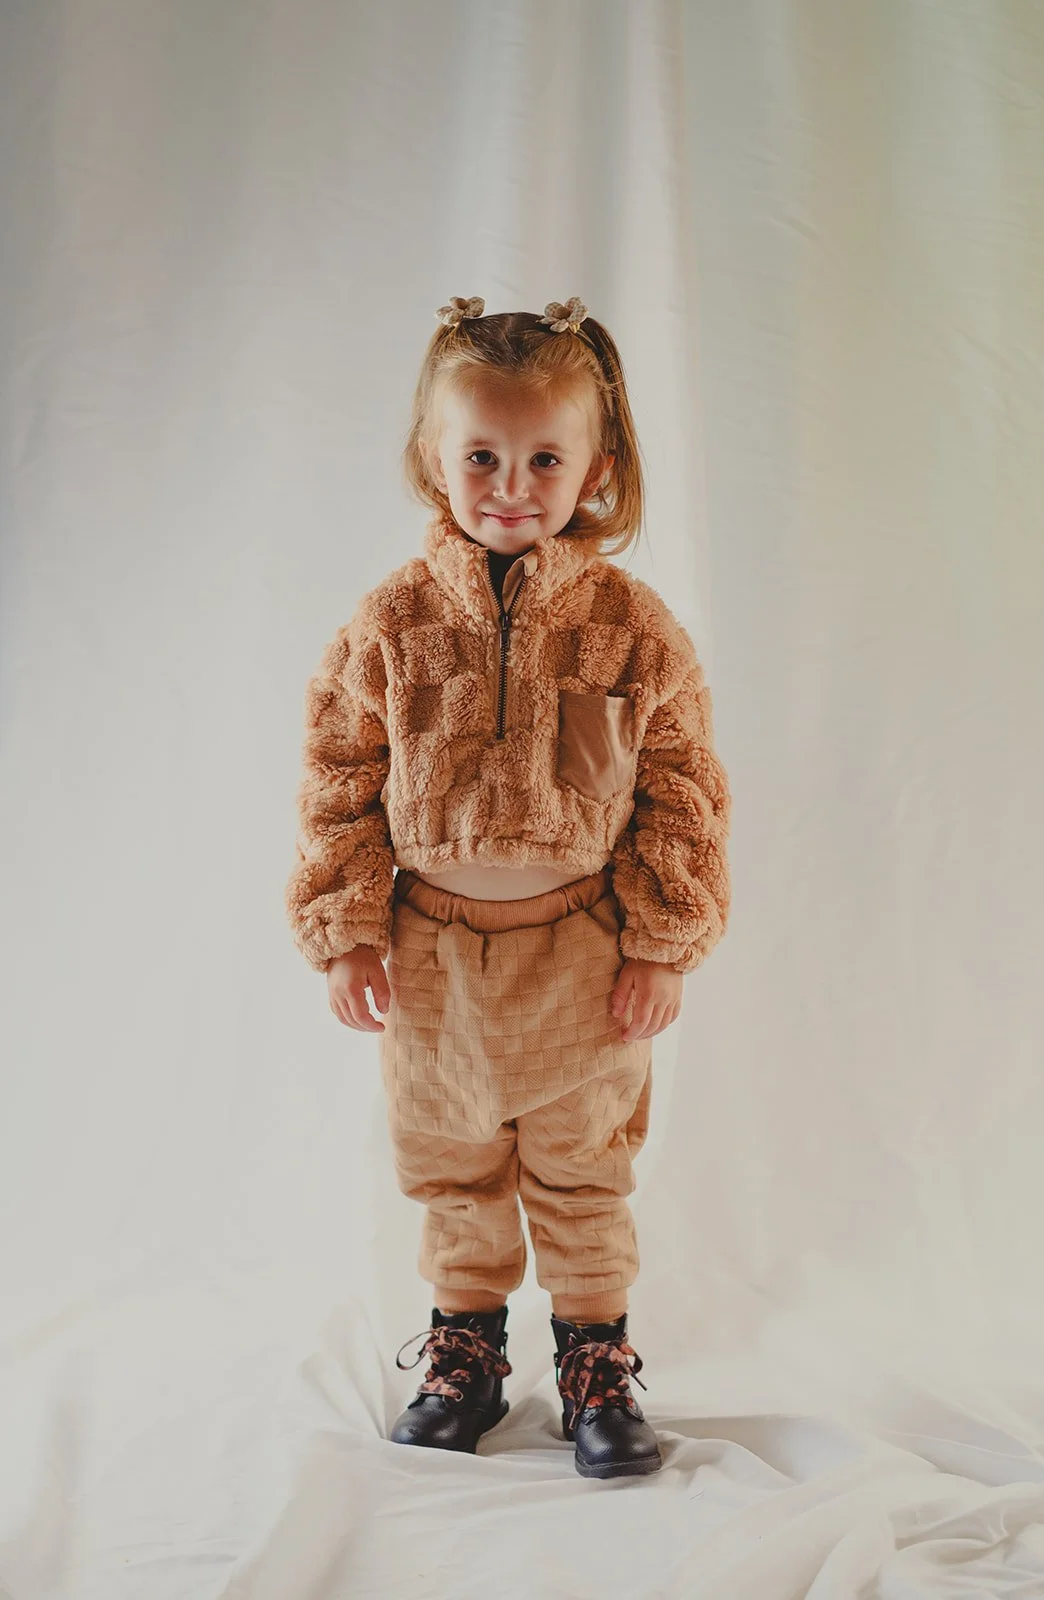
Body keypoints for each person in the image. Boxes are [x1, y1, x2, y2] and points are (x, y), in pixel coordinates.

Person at [284, 294, 731, 1480]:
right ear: (431, 457)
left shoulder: (631, 627)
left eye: (543, 458)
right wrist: (346, 928)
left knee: (583, 1163)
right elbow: (337, 774)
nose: (510, 486)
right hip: (429, 950)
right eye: (480, 455)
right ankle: (465, 1351)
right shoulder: (389, 623)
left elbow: (681, 784)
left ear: (597, 467)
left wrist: (661, 938)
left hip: (581, 948)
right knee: (451, 1159)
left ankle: (594, 1360)